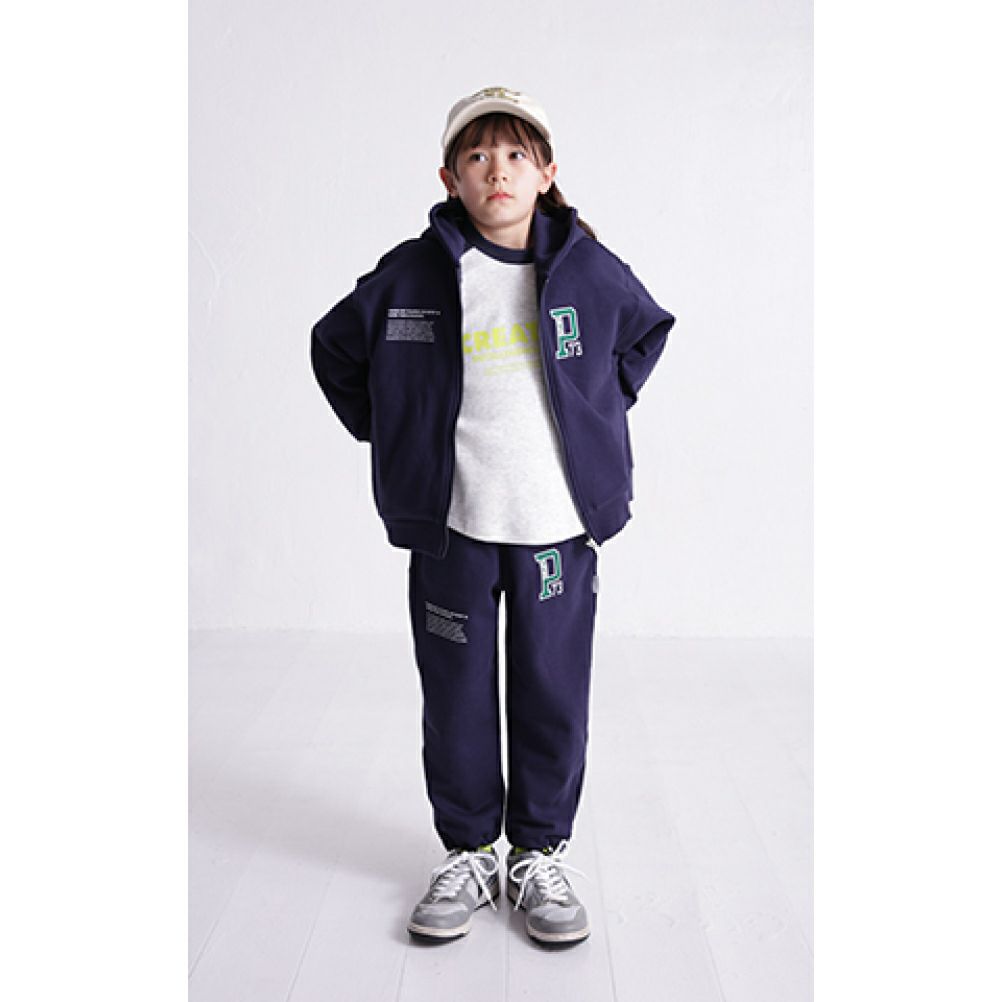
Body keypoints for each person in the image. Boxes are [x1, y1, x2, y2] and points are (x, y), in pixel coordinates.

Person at [311, 85, 676, 946]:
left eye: (516, 155)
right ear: (450, 178)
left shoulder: (588, 269)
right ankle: (471, 851)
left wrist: (596, 413)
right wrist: (397, 434)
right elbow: (334, 346)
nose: (497, 170)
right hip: (455, 531)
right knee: (457, 696)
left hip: (556, 529)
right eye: (477, 156)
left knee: (553, 692)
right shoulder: (416, 272)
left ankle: (538, 853)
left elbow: (646, 331)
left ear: (547, 173)